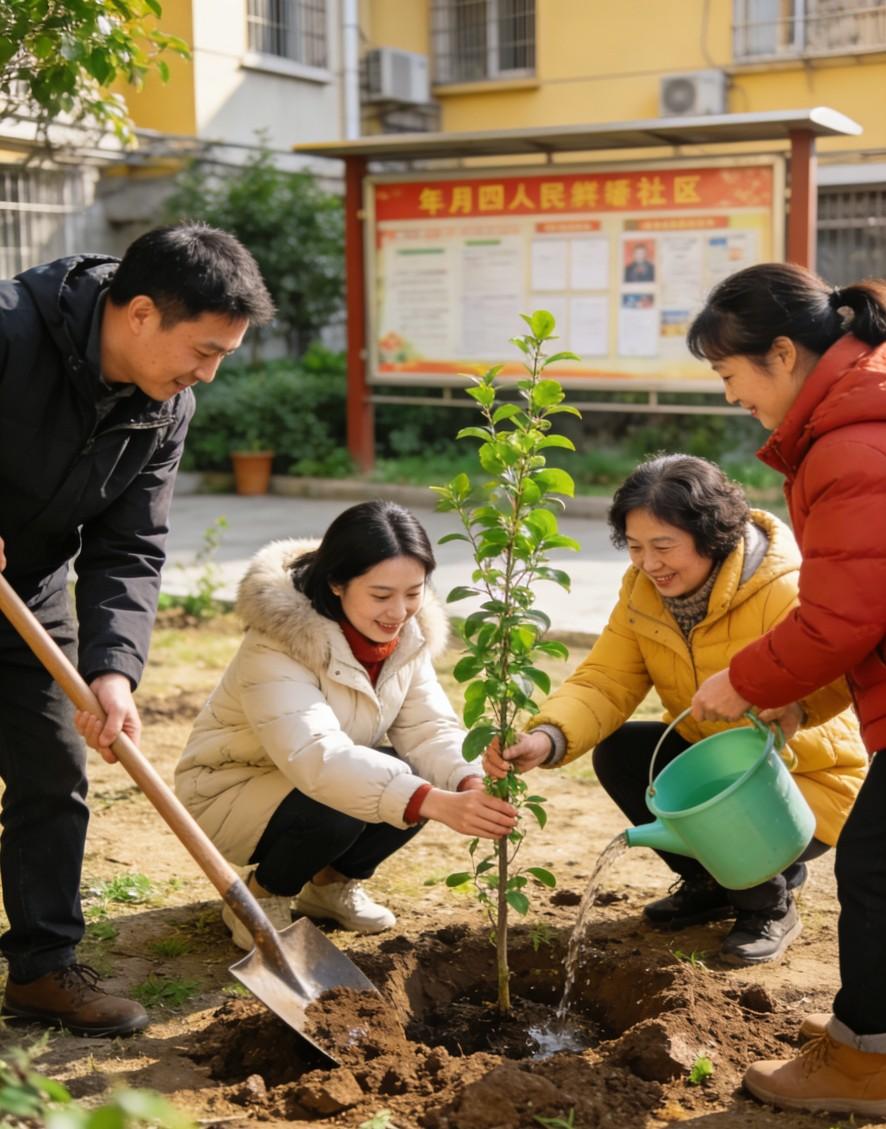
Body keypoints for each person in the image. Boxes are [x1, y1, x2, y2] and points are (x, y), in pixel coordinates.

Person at [0, 222, 274, 1036]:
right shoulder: (10, 330)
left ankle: (44, 968)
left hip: (32, 584)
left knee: (54, 769)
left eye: (224, 354)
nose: (208, 374)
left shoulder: (165, 405)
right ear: (143, 313)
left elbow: (131, 543)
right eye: (205, 350)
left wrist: (113, 668)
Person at [483, 454, 866, 965]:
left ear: (711, 536)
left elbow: (835, 677)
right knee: (623, 754)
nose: (649, 563)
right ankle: (712, 883)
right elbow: (606, 679)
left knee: (726, 798)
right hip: (712, 764)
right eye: (636, 547)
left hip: (799, 779)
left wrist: (780, 704)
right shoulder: (641, 593)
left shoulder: (783, 589)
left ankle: (768, 906)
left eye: (664, 546)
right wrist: (547, 737)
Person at [687, 263, 886, 1116]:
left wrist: (745, 679)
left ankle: (863, 1059)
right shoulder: (859, 410)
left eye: (731, 375)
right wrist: (809, 701)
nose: (731, 395)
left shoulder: (852, 439)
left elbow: (845, 614)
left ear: (782, 352)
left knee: (875, 869)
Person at [174, 501, 517, 948]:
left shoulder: (407, 638)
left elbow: (428, 729)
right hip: (231, 789)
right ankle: (263, 895)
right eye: (380, 595)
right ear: (336, 582)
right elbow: (316, 756)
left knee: (417, 777)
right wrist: (431, 801)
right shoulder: (278, 642)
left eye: (413, 593)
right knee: (370, 800)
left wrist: (467, 780)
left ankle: (330, 887)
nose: (399, 612)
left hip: (315, 779)